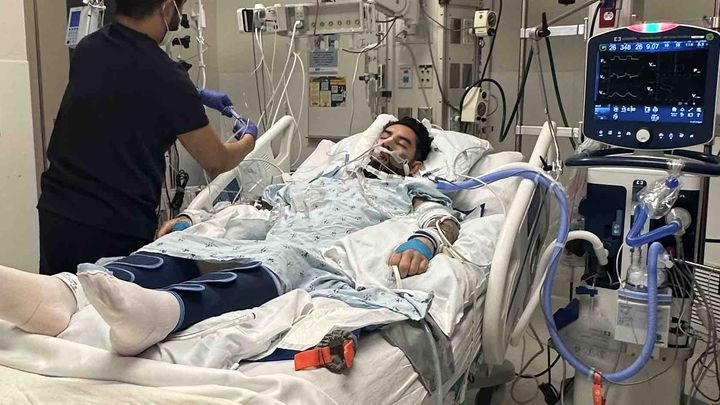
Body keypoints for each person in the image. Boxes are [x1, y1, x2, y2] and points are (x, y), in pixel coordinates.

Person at [0, 118, 461, 356]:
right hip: (266, 234)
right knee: (186, 244)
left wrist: (422, 242)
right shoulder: (321, 177)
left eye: (400, 143)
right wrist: (195, 221)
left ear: (415, 163)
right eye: (385, 136)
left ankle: (164, 312)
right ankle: (62, 294)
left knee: (282, 256)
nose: (387, 144)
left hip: (309, 252)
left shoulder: (407, 186)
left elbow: (442, 218)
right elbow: (254, 206)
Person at [37, 0, 258, 276]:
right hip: (111, 230)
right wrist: (249, 138)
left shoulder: (89, 47)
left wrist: (193, 94)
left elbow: (125, 86)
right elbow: (217, 161)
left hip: (57, 215)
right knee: (106, 301)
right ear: (166, 7)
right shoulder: (167, 77)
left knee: (57, 297)